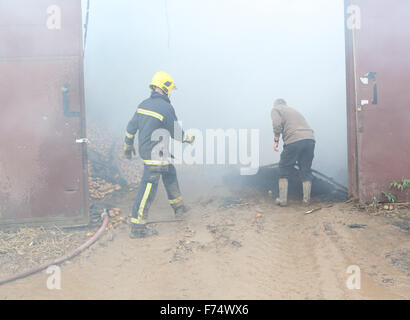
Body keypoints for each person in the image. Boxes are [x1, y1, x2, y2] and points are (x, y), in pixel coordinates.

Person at [123, 71, 195, 238]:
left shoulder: (143, 104)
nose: (171, 93)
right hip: (155, 154)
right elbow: (177, 133)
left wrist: (128, 145)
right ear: (165, 88)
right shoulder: (166, 107)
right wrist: (188, 138)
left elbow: (130, 127)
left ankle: (179, 208)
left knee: (169, 173)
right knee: (148, 186)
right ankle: (138, 227)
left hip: (153, 151)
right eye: (170, 90)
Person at [271, 98, 315, 206]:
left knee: (284, 167)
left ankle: (282, 200)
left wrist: (276, 140)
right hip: (310, 139)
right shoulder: (293, 110)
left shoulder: (276, 109)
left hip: (294, 140)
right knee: (305, 169)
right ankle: (306, 200)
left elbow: (277, 125)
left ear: (276, 104)